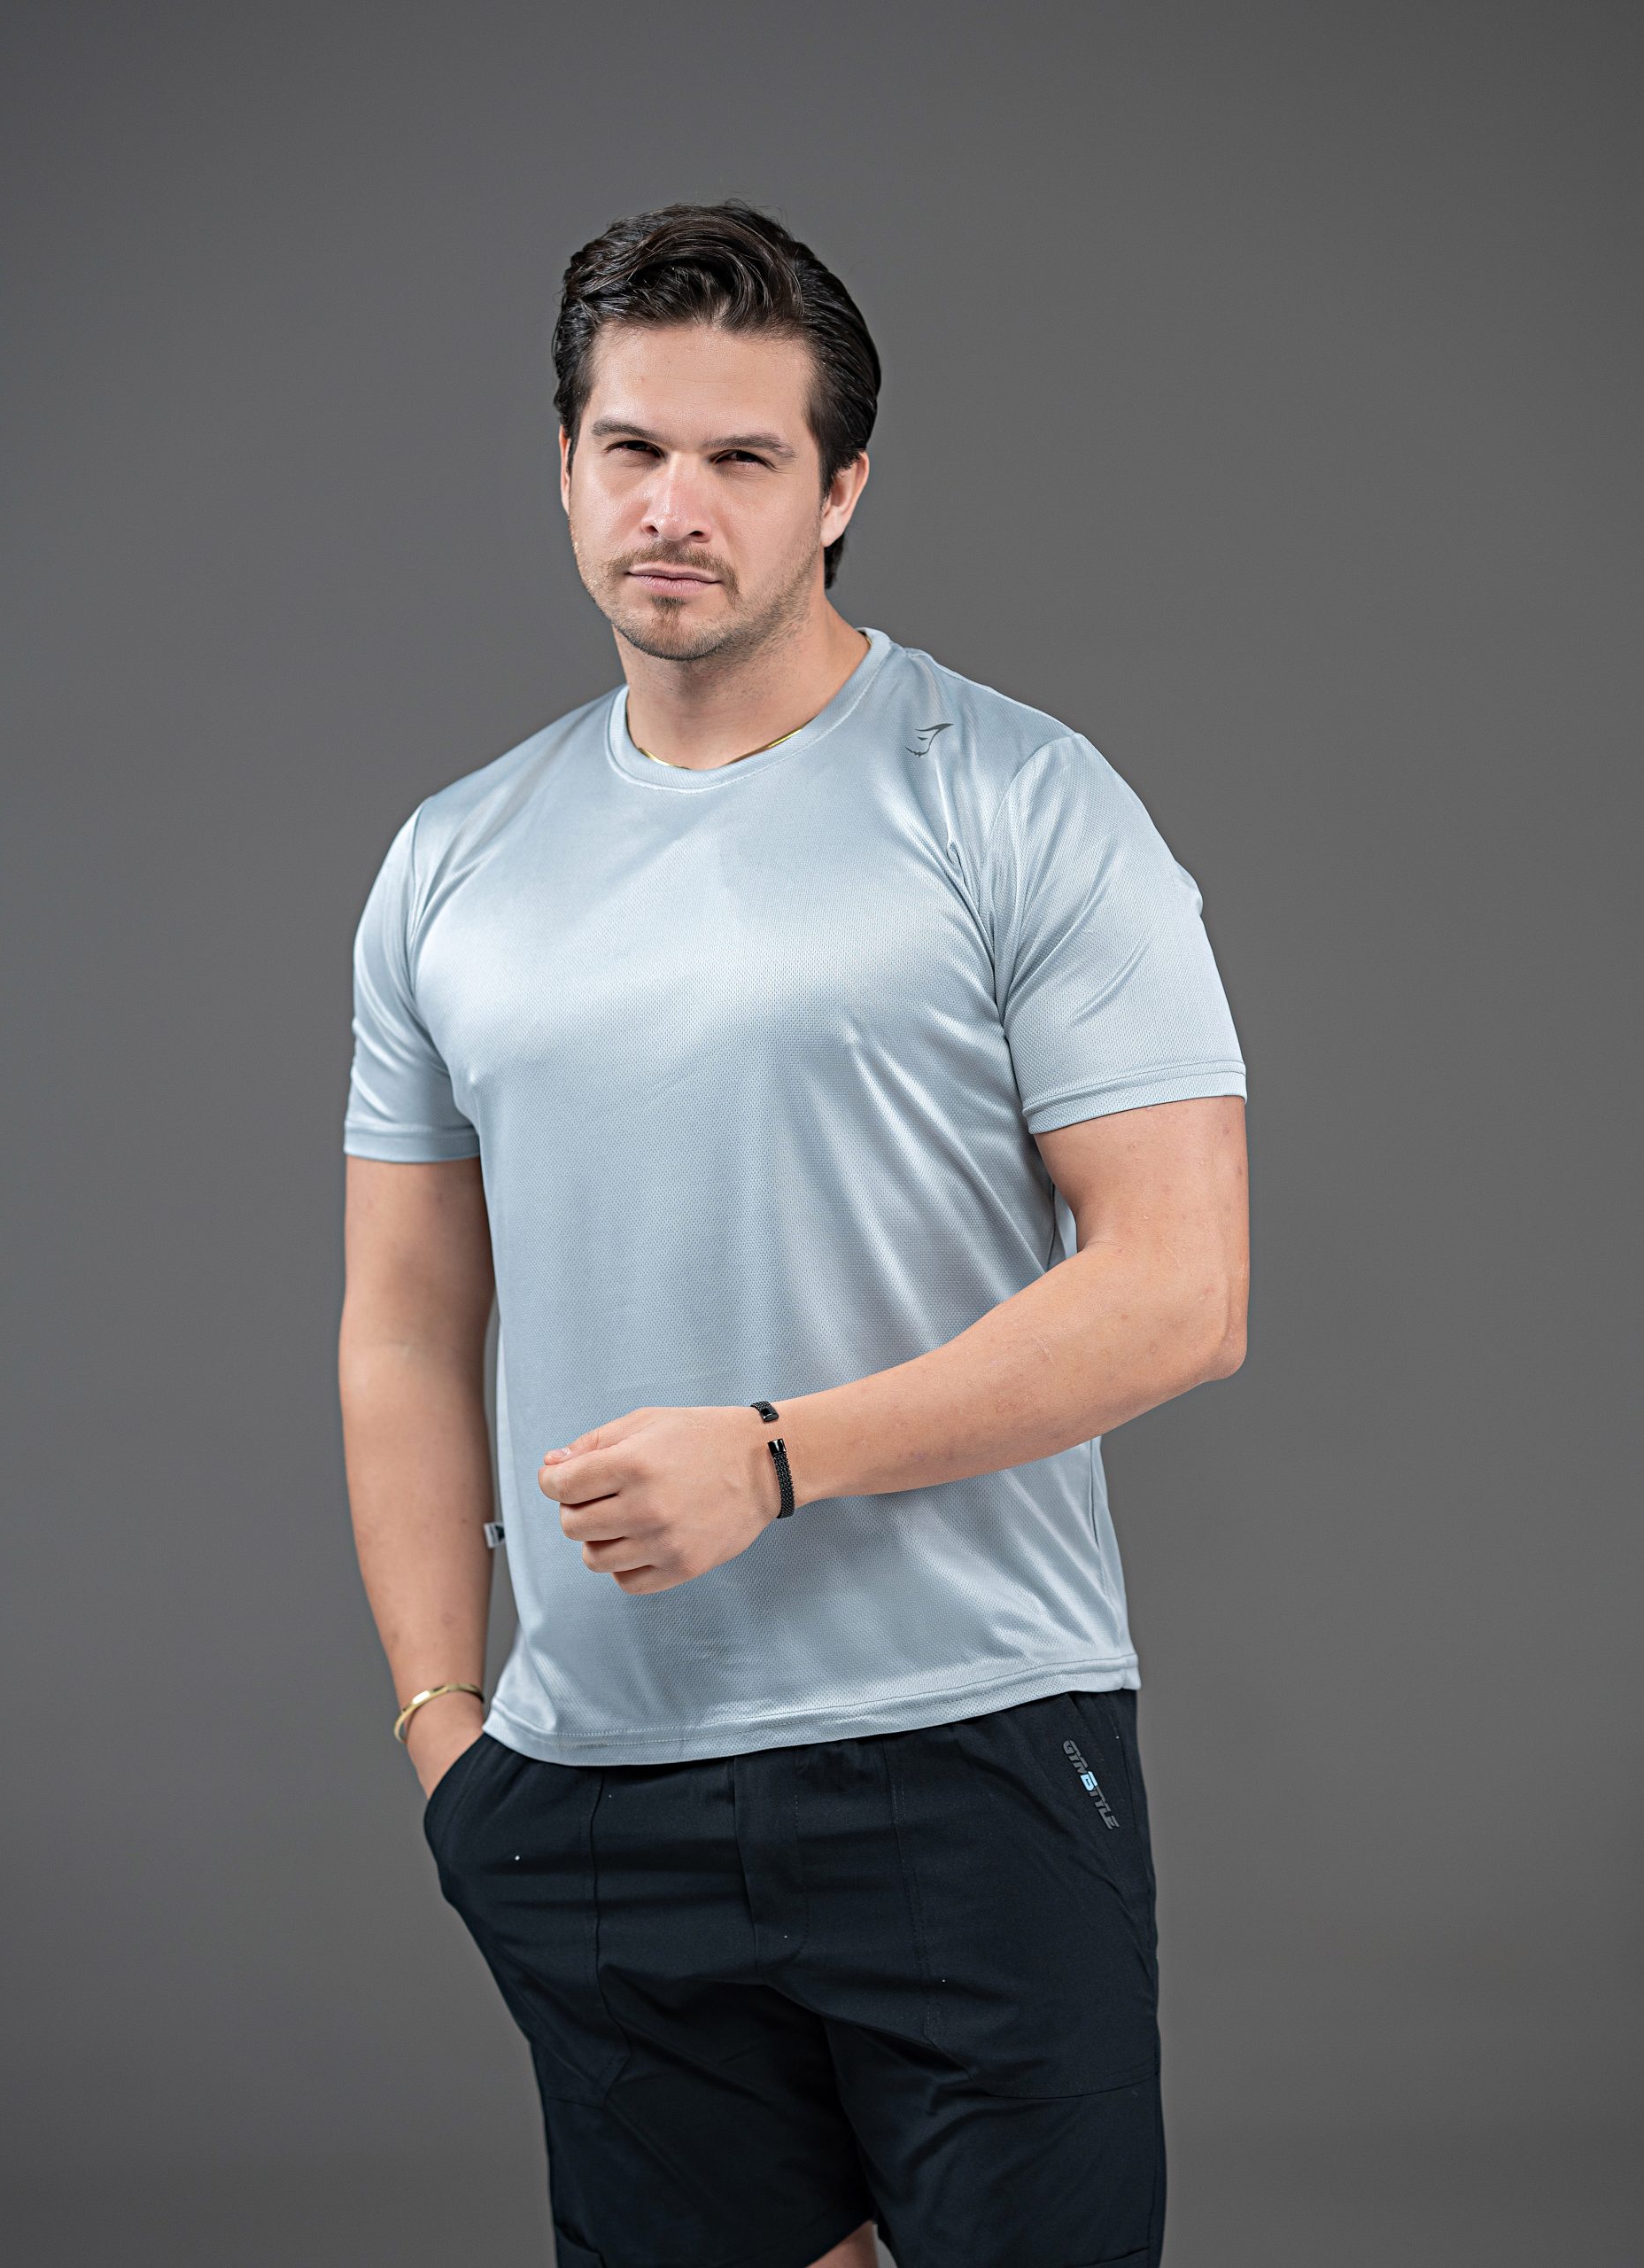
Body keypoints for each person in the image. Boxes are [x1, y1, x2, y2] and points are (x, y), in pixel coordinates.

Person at [338, 198, 1248, 2268]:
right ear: (564, 464)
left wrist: (775, 1454)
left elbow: (1184, 1287)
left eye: (741, 456)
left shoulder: (1015, 797)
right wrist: (445, 1729)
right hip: (589, 1784)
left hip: (967, 1743)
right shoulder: (453, 862)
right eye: (632, 447)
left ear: (840, 487)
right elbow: (402, 1319)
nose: (675, 505)